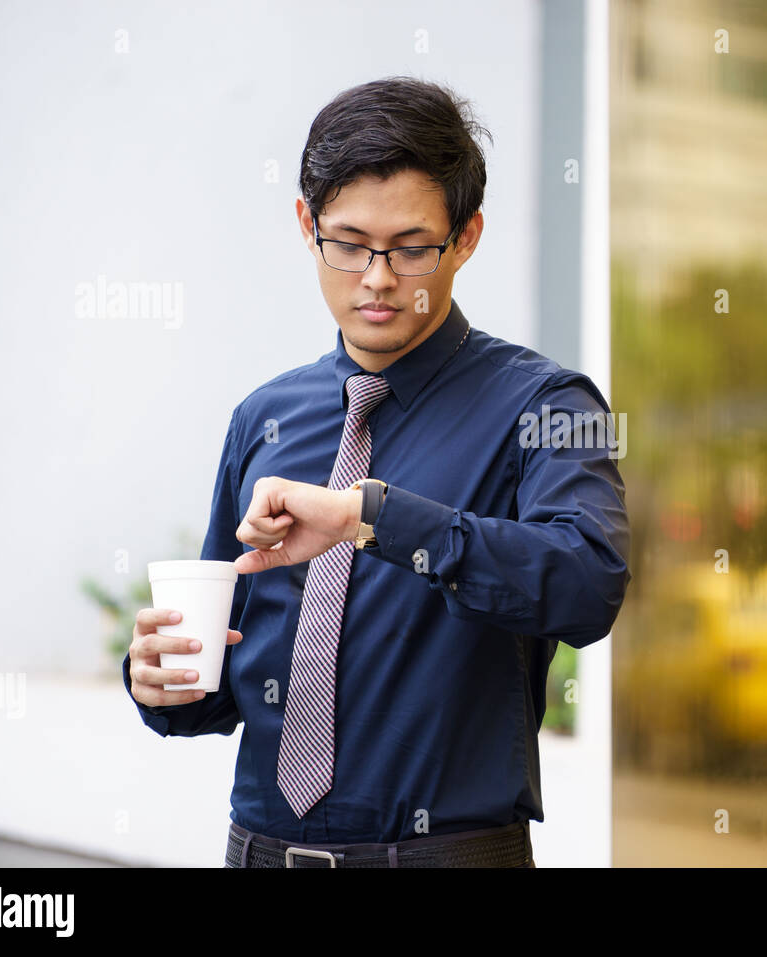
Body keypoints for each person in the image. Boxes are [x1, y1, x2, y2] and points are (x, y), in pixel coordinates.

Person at [122, 76, 630, 868]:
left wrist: (374, 519)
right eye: (350, 242)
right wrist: (161, 681)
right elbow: (223, 675)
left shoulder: (549, 404)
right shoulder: (264, 417)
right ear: (307, 225)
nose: (378, 278)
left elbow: (587, 584)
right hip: (256, 851)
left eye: (412, 246)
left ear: (466, 238)